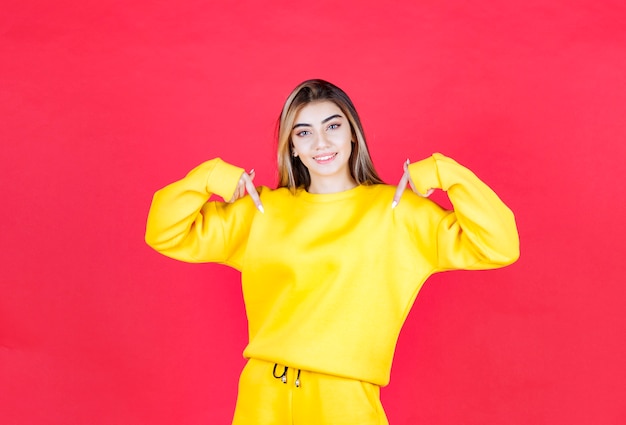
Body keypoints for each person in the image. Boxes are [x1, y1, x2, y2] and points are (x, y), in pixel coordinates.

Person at [145, 79, 520, 425]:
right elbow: (164, 232)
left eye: (333, 126)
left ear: (353, 134)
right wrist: (210, 177)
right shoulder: (262, 210)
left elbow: (499, 245)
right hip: (262, 397)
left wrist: (445, 172)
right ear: (291, 146)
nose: (321, 143)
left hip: (344, 399)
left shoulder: (396, 213)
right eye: (304, 132)